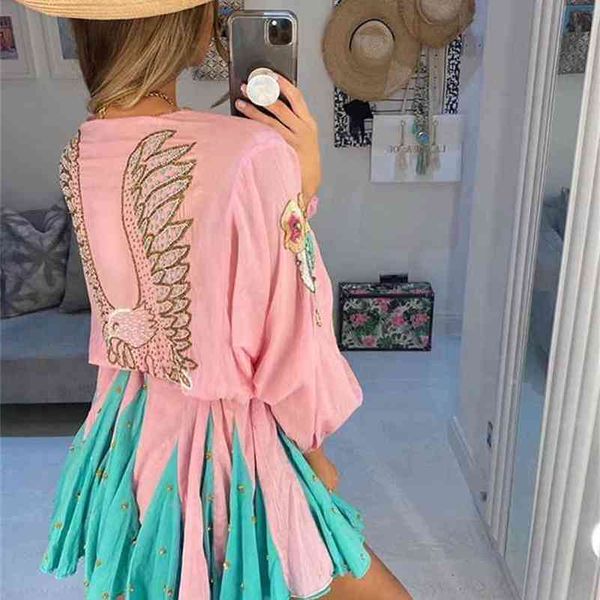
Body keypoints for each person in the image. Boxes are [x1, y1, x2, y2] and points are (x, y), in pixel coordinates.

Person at [19, 0, 413, 598]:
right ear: (198, 23)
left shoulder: (83, 147)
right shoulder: (252, 152)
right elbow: (289, 337)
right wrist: (301, 184)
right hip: (230, 457)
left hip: (126, 442)